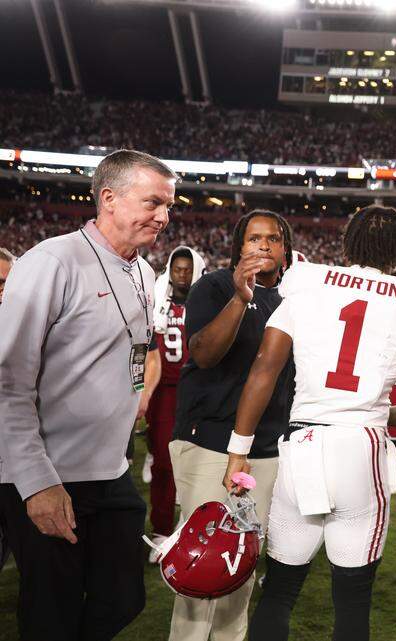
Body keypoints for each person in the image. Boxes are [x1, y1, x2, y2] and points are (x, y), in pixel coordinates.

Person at [224, 205, 396, 641]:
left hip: (303, 443)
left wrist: (238, 452)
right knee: (352, 600)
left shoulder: (307, 282)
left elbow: (264, 371)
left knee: (280, 591)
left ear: (348, 244)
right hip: (360, 449)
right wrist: (381, 416)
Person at [0, 149, 175, 640]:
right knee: (51, 612)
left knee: (123, 597)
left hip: (110, 470)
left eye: (169, 206)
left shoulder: (141, 271)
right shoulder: (51, 261)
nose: (163, 217)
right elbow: (8, 383)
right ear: (109, 198)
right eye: (153, 202)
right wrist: (36, 483)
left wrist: (133, 394)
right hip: (50, 474)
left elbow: (135, 352)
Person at [168, 210, 295, 641]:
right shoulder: (215, 286)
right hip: (210, 444)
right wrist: (241, 299)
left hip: (265, 451)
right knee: (200, 568)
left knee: (237, 569)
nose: (263, 245)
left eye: (273, 239)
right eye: (254, 238)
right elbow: (202, 353)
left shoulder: (294, 300)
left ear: (285, 249)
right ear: (239, 247)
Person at [140, 245, 206, 558]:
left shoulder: (207, 300)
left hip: (199, 392)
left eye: (187, 268)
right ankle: (162, 529)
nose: (182, 274)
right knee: (165, 464)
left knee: (201, 464)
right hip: (165, 391)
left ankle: (194, 528)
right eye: (177, 268)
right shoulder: (156, 300)